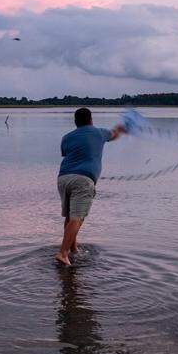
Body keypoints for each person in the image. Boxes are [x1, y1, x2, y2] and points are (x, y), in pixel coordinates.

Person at [55, 107, 125, 265]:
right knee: (77, 218)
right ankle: (63, 252)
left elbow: (68, 154)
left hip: (63, 178)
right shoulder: (98, 132)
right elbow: (114, 135)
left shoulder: (66, 137)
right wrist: (121, 128)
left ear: (75, 122)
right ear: (91, 120)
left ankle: (73, 250)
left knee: (70, 217)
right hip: (83, 180)